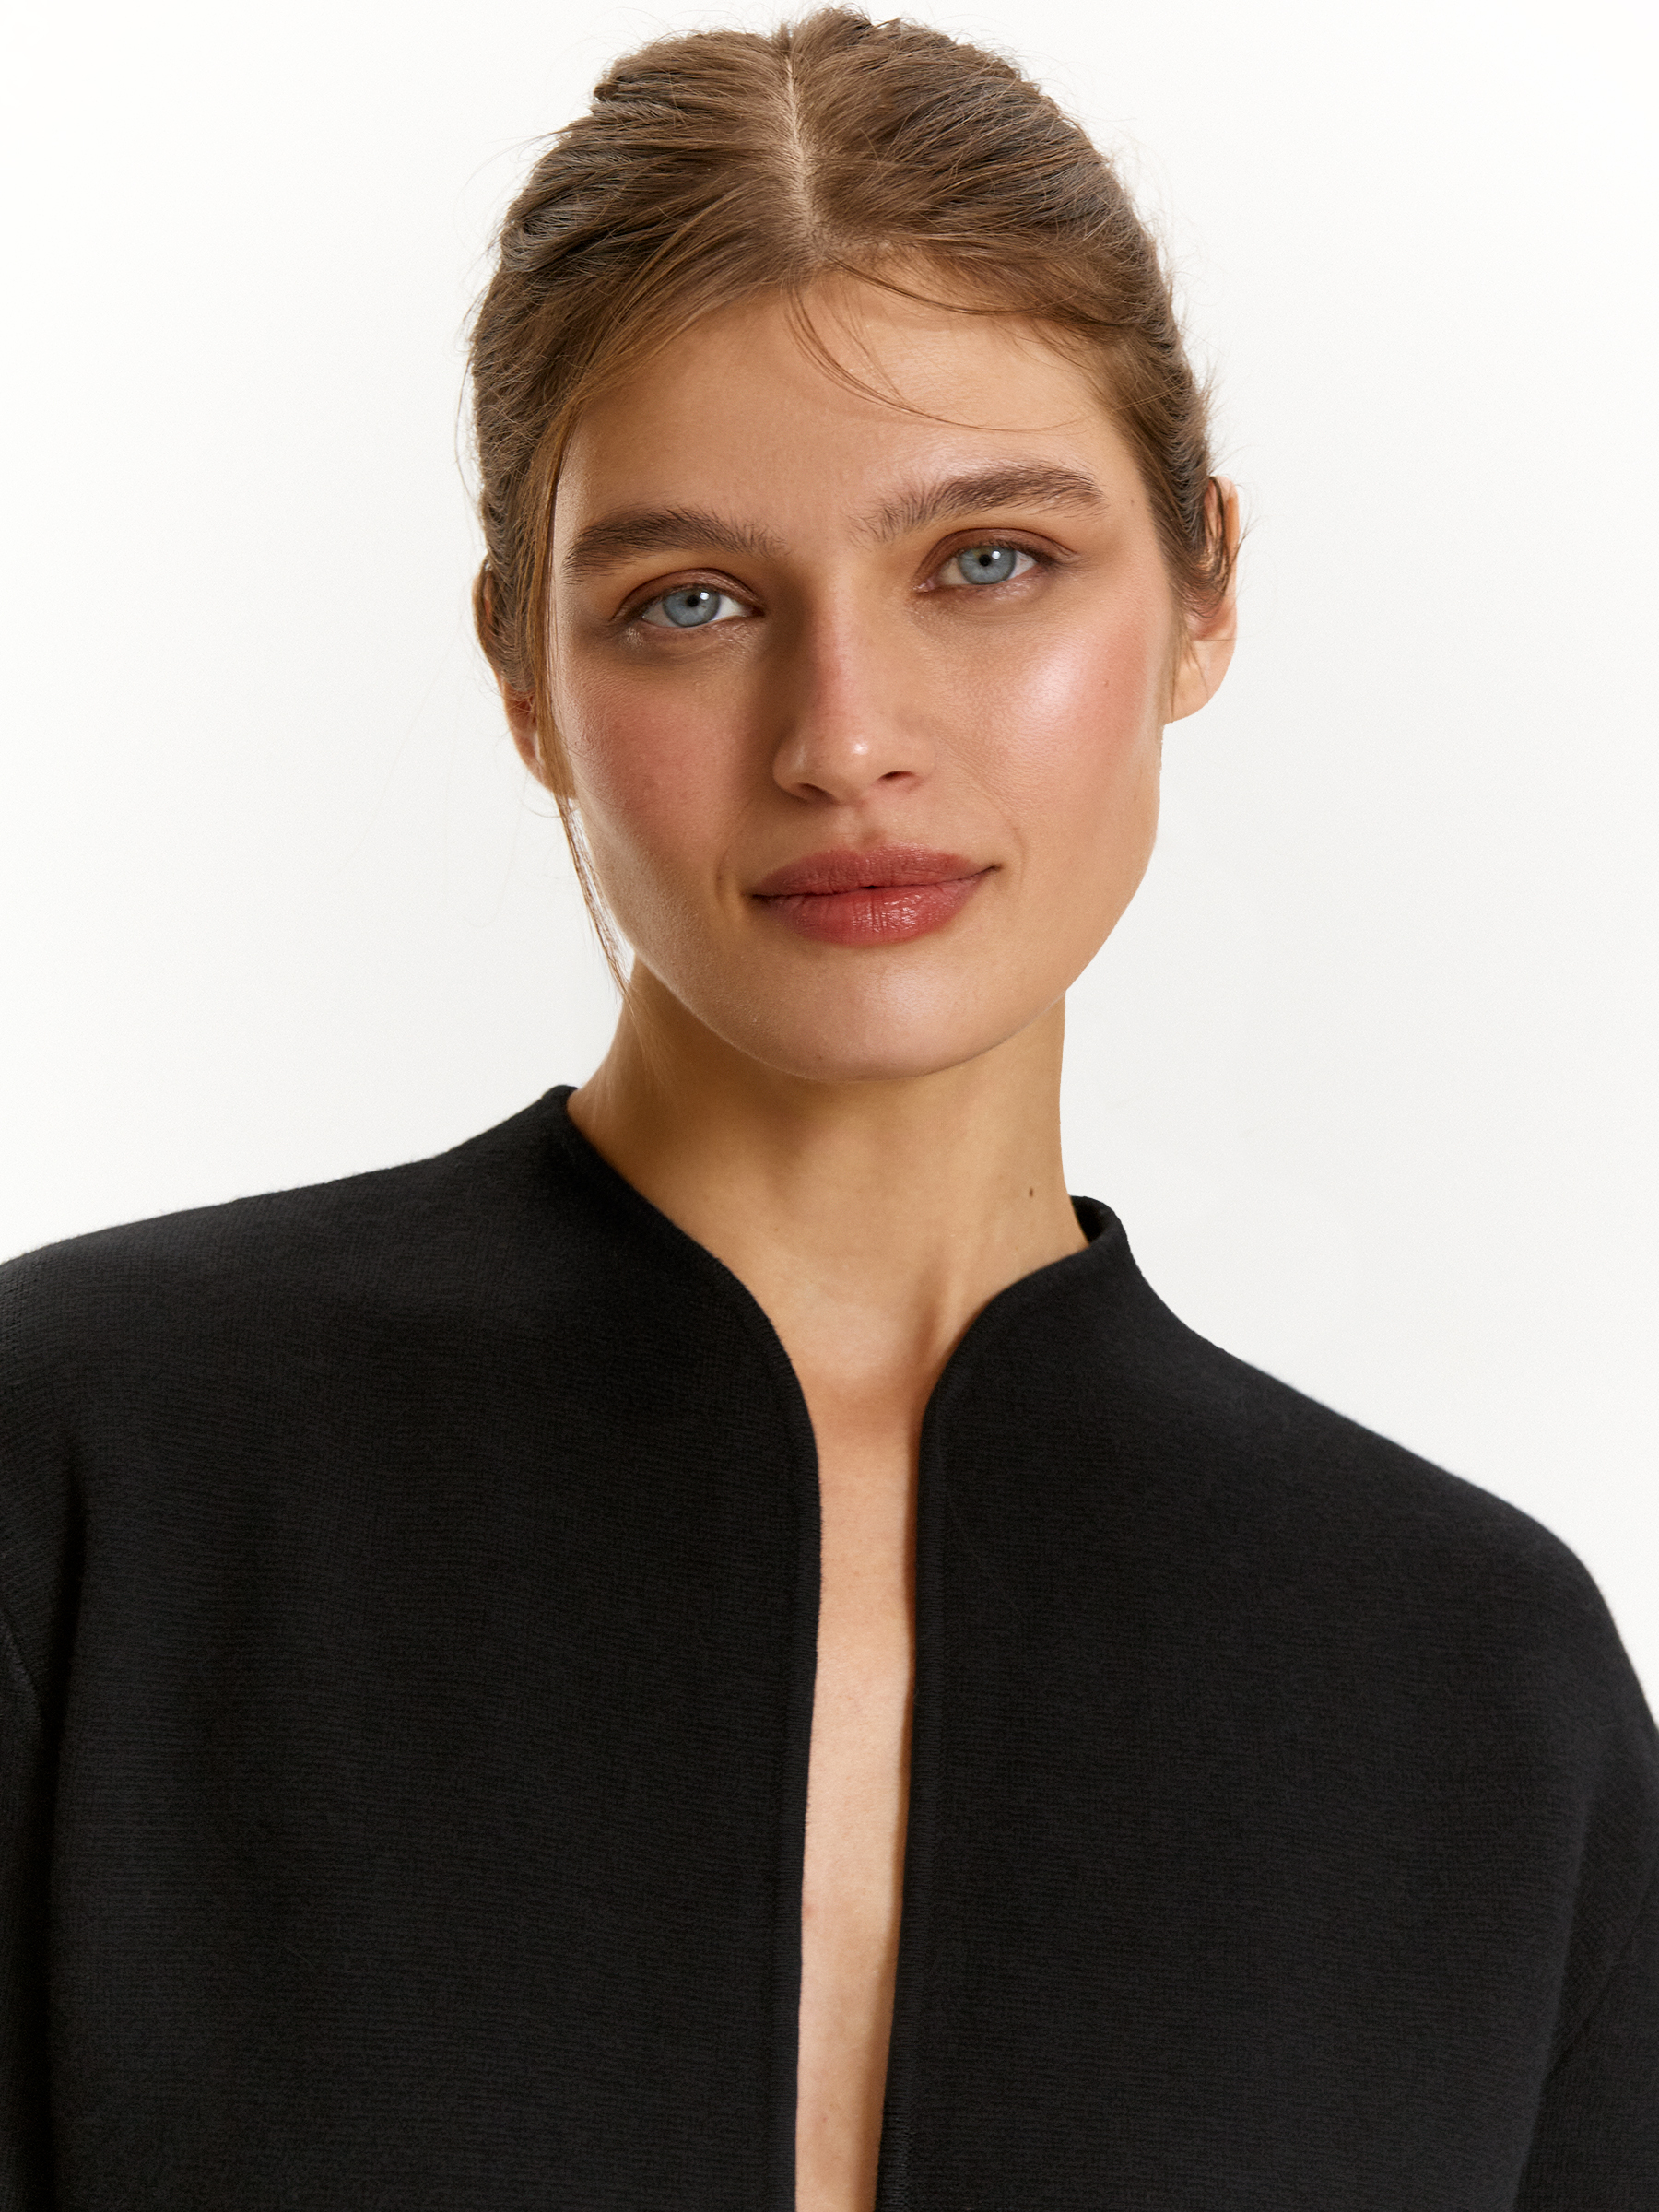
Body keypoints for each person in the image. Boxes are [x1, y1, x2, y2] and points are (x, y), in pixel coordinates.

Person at [1, 9, 1653, 2208]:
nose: (844, 736)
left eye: (987, 561)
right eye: (690, 602)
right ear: (523, 674)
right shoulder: (87, 1481)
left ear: (1204, 589)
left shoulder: (1477, 1689)